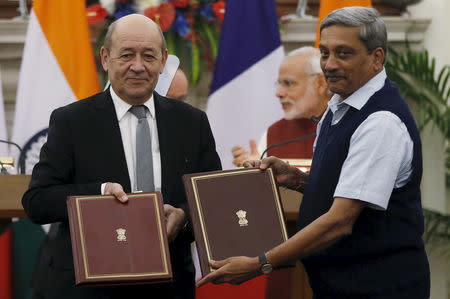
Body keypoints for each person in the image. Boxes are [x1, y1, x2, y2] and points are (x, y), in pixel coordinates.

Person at [198, 7, 430, 299]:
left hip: (378, 286)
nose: (329, 65)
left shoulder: (380, 122)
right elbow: (349, 189)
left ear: (376, 58)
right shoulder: (337, 106)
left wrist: (260, 263)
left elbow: (341, 221)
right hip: (336, 284)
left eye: (343, 53)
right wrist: (297, 179)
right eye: (325, 53)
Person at [22, 14, 221, 299]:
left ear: (163, 61)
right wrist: (99, 194)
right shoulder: (72, 121)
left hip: (168, 285)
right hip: (88, 286)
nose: (137, 66)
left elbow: (209, 199)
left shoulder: (192, 122)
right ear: (105, 58)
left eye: (149, 56)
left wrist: (183, 217)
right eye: (126, 55)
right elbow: (37, 201)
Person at [231, 47, 329, 167]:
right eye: (279, 83)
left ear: (321, 83)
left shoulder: (346, 126)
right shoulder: (274, 133)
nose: (278, 93)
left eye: (288, 83)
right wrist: (255, 168)